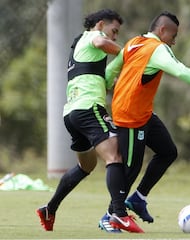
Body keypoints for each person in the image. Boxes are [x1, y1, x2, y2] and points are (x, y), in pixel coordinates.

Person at [102, 10, 190, 229]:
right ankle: (110, 216)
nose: (175, 41)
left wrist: (107, 87)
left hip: (143, 113)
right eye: (173, 35)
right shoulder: (158, 48)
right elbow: (180, 71)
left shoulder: (134, 42)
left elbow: (112, 70)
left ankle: (138, 199)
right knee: (130, 168)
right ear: (162, 31)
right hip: (130, 117)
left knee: (168, 151)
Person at [36, 9, 144, 233]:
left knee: (87, 165)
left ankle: (50, 208)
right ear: (101, 24)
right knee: (115, 156)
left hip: (71, 113)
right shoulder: (91, 37)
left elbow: (103, 81)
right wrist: (129, 54)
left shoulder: (80, 47)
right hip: (88, 109)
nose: (113, 36)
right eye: (113, 31)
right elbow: (101, 42)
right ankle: (118, 214)